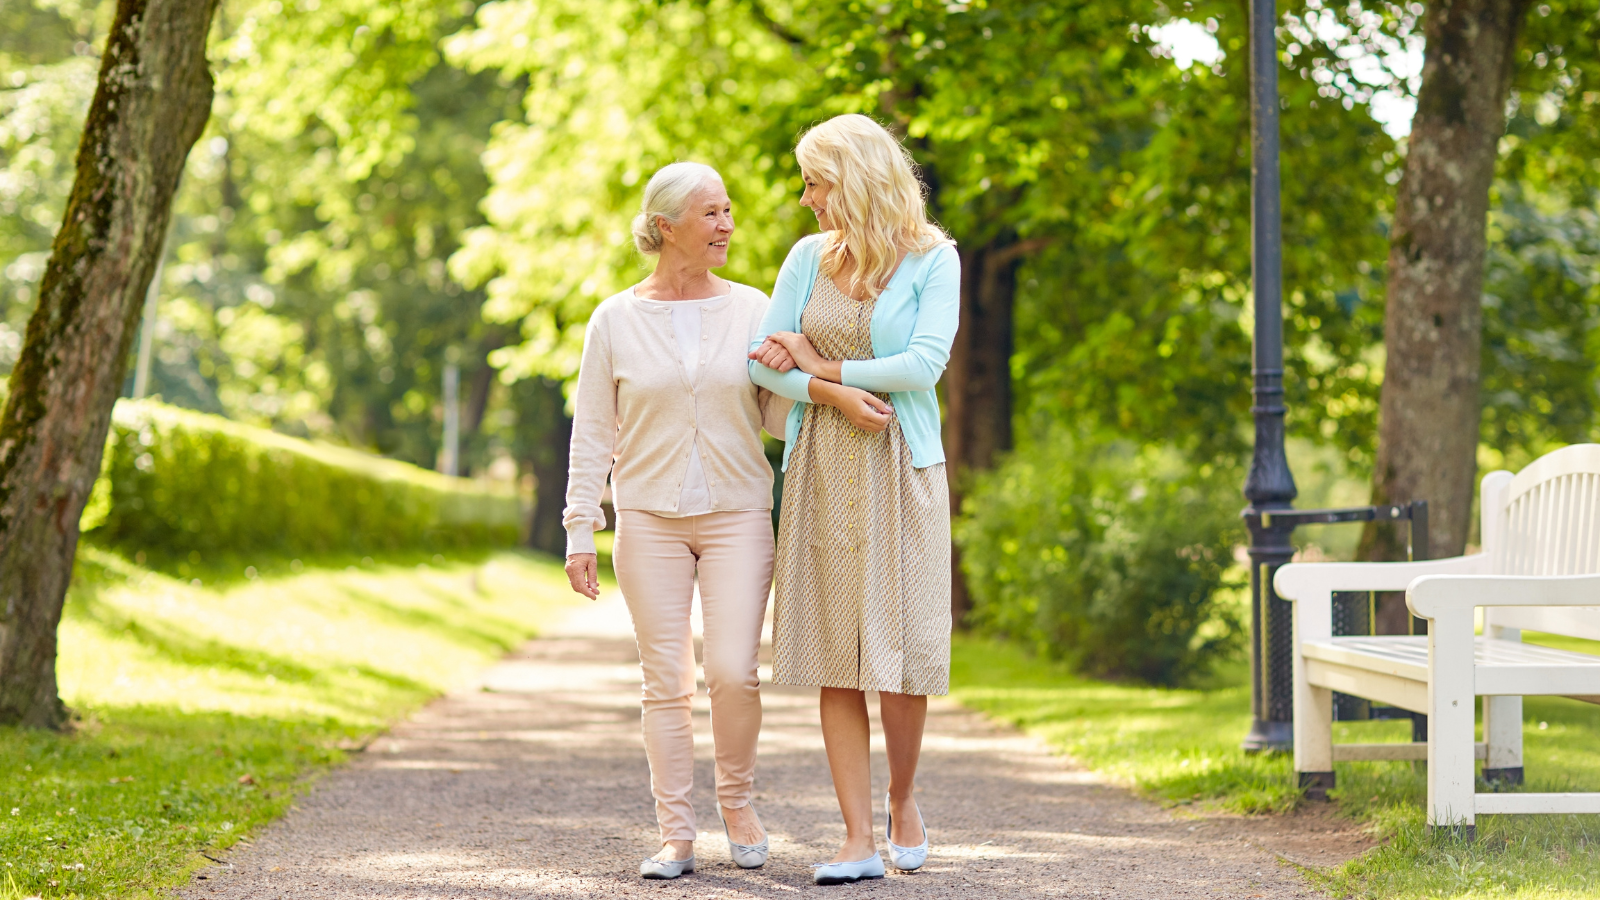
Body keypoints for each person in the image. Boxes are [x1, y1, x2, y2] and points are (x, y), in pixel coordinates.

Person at [748, 114, 960, 886]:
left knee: (899, 656)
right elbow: (763, 361)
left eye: (816, 181)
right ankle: (856, 838)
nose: (804, 198)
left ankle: (905, 804)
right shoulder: (807, 258)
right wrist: (823, 393)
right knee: (839, 657)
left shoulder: (935, 260)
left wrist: (820, 365)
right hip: (822, 467)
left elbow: (922, 366)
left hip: (904, 467)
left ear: (858, 179)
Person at [563, 161, 787, 880]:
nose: (728, 225)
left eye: (728, 211)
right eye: (712, 213)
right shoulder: (615, 318)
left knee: (732, 671)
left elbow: (778, 420)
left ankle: (738, 802)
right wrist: (579, 527)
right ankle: (676, 834)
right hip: (649, 518)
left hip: (738, 511)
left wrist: (799, 364)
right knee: (665, 682)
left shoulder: (754, 308)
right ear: (666, 227)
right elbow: (593, 430)